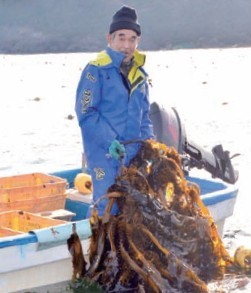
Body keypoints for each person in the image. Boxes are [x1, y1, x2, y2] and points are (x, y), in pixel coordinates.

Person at [75, 5, 154, 217]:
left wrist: (151, 146)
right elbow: (86, 113)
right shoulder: (95, 70)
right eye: (121, 38)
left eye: (132, 39)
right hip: (104, 155)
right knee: (107, 206)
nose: (126, 45)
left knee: (137, 208)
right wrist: (110, 141)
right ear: (110, 39)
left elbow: (144, 118)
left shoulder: (140, 75)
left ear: (137, 42)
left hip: (133, 154)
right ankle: (100, 246)